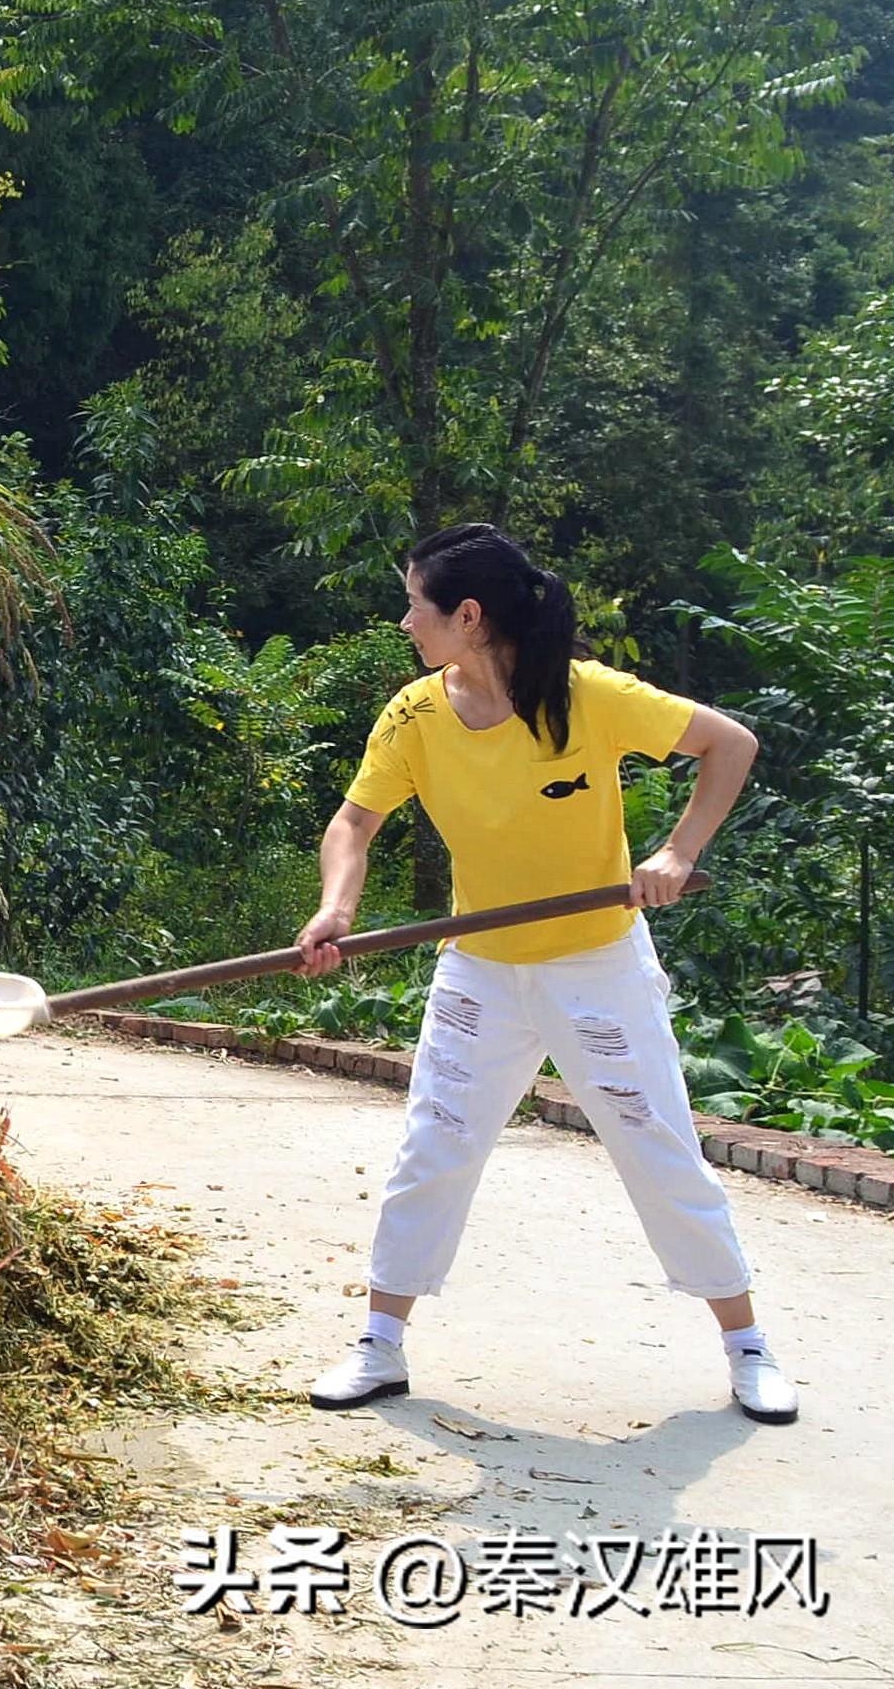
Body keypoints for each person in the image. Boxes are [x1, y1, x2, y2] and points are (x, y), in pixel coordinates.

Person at [295, 523, 789, 1424]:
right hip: (479, 971)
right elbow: (352, 826)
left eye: (415, 604)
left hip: (596, 961)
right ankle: (380, 1343)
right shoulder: (413, 715)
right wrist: (336, 908)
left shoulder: (586, 695)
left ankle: (745, 1345)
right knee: (433, 1146)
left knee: (653, 1145)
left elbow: (731, 745)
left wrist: (675, 854)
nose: (405, 621)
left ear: (468, 615)